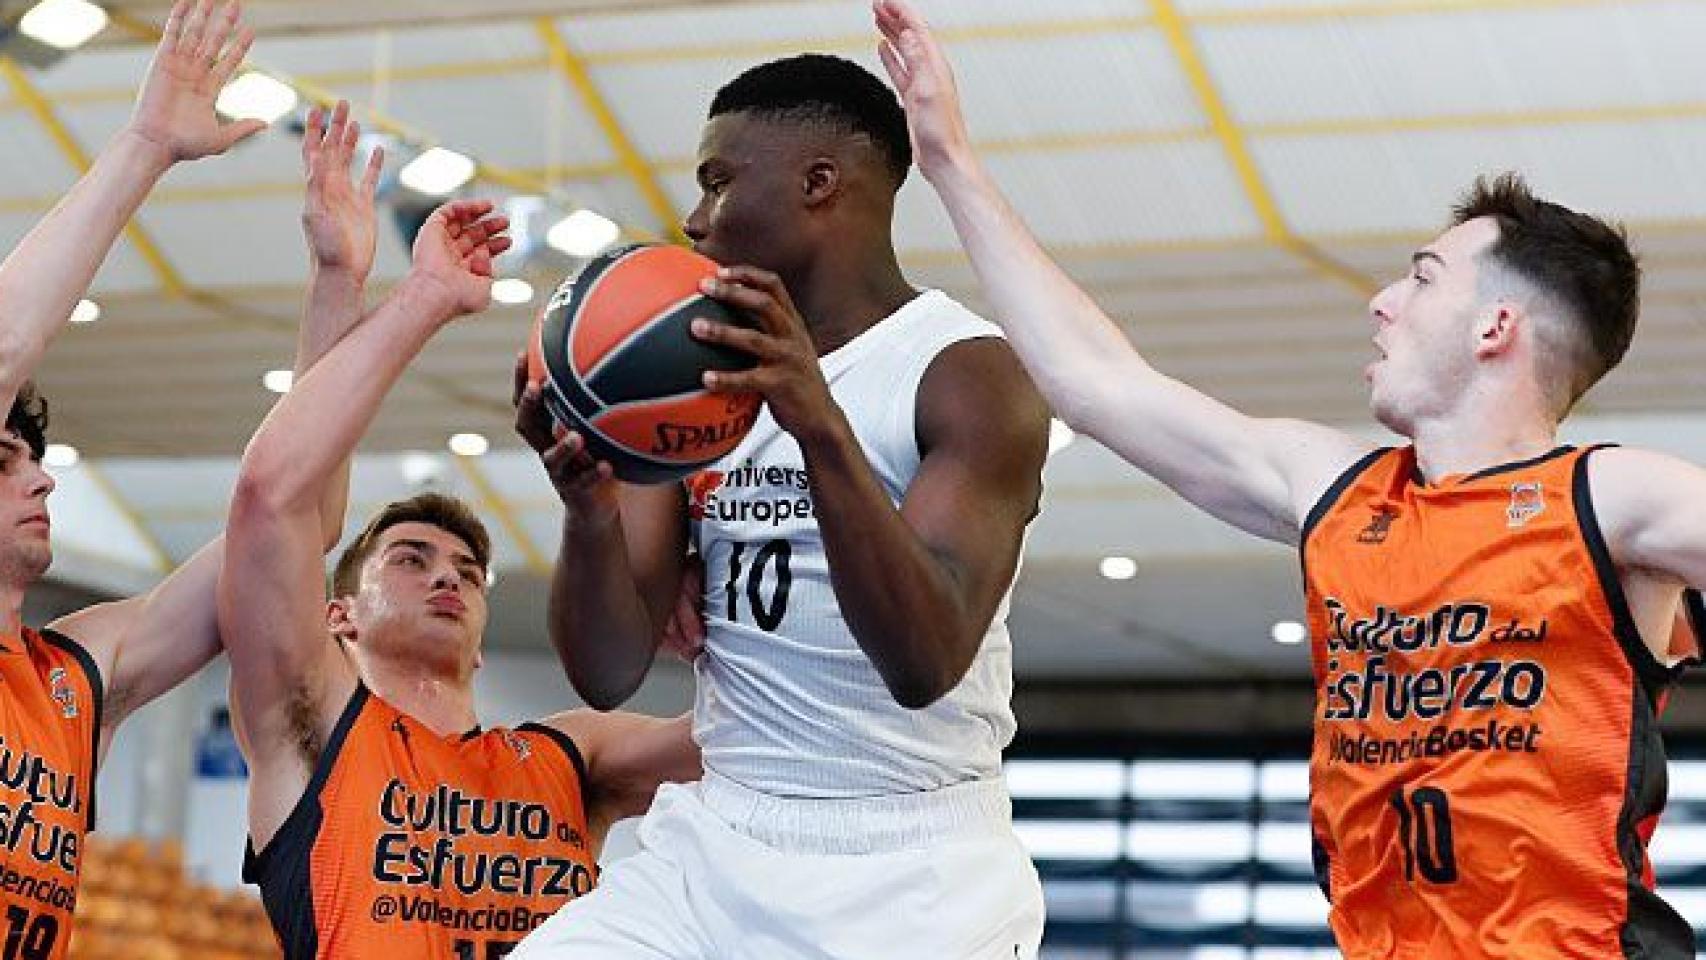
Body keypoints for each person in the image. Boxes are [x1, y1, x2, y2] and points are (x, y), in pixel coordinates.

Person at [875, 1, 1703, 956]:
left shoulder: (1616, 499)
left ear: (1495, 329)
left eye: (1424, 278)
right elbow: (1096, 385)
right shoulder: (1340, 489)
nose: (1383, 303)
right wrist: (949, 163)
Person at [512, 52, 1050, 960]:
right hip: (720, 832)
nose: (694, 218)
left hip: (912, 861)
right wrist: (589, 508)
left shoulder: (965, 374)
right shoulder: (691, 377)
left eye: (718, 182)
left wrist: (817, 423)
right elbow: (605, 673)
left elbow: (924, 659)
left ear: (819, 184)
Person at [218, 105, 697, 960]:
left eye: (468, 571)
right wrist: (347, 281)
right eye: (412, 560)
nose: (448, 578)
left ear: (480, 643)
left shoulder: (569, 755)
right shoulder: (316, 725)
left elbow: (749, 741)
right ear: (339, 618)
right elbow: (279, 493)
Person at [0, 3, 345, 955]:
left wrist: (338, 291)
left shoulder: (75, 674)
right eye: (4, 459)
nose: (39, 481)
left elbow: (292, 527)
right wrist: (147, 143)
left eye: (39, 460)